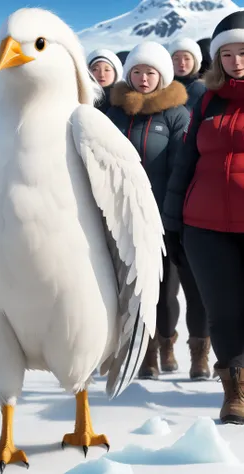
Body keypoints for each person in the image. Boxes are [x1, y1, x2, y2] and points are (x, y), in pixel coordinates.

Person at [163, 11, 244, 424]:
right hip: (205, 226)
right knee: (223, 310)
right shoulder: (207, 101)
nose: (235, 61)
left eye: (243, 51)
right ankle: (235, 392)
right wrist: (174, 223)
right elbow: (185, 163)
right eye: (226, 53)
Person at [106, 42, 194, 380]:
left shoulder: (176, 114)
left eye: (150, 72)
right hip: (119, 213)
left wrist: (171, 214)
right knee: (129, 286)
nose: (143, 79)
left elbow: (180, 166)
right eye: (137, 72)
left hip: (161, 215)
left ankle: (166, 342)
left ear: (163, 76)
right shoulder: (114, 111)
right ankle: (142, 351)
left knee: (164, 289)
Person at [169, 38, 207, 110]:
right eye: (176, 59)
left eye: (187, 59)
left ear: (195, 61)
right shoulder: (162, 89)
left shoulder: (205, 89)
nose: (182, 63)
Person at [87, 49, 123, 113]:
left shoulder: (125, 103)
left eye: (107, 70)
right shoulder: (80, 99)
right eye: (95, 69)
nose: (101, 75)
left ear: (116, 73)